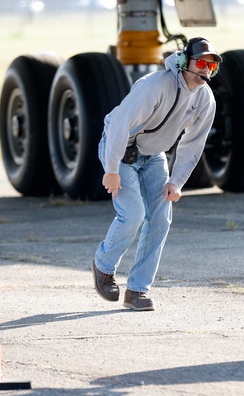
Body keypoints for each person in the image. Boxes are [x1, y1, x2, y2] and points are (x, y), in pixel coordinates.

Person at [92, 37, 221, 311]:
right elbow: (118, 124)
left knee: (161, 218)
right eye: (201, 63)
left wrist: (177, 181)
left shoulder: (205, 100)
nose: (206, 70)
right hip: (120, 149)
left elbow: (194, 142)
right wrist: (111, 169)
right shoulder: (152, 86)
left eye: (211, 66)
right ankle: (103, 266)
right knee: (133, 214)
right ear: (186, 62)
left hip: (154, 156)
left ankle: (137, 290)